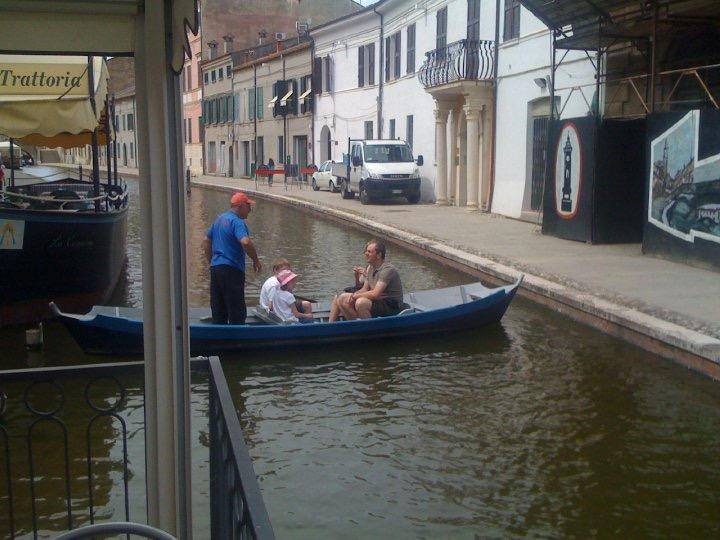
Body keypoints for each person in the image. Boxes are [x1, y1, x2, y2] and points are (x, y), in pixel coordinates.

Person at [202, 191, 262, 324]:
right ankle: (238, 338)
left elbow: (206, 240)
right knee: (237, 310)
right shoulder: (237, 222)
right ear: (240, 206)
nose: (250, 210)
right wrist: (255, 260)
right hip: (232, 269)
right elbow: (245, 242)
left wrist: (210, 261)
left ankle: (219, 336)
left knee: (218, 308)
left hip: (216, 269)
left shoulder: (219, 219)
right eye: (248, 206)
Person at [329, 240, 404, 321]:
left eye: (369, 252)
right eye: (366, 251)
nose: (366, 253)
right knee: (342, 297)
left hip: (391, 304)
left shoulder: (387, 270)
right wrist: (352, 295)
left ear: (379, 255)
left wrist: (355, 296)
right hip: (379, 300)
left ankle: (368, 330)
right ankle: (353, 326)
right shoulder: (370, 267)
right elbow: (364, 289)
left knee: (361, 303)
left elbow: (375, 294)